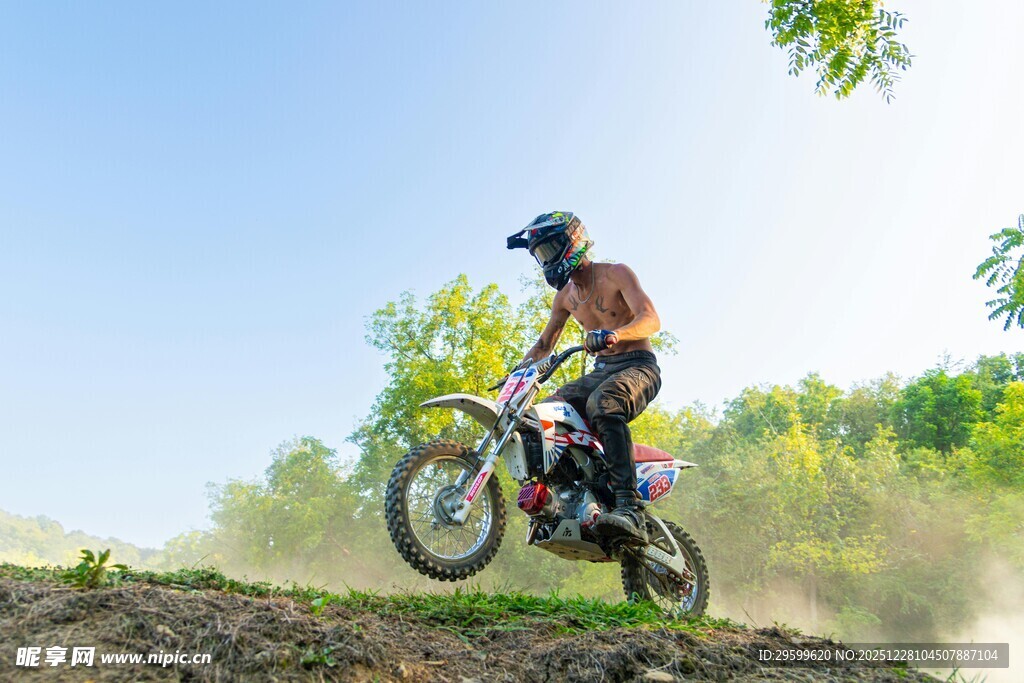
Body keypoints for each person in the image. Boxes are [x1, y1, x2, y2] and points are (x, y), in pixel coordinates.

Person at [506, 211, 662, 544]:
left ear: (573, 240)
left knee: (603, 405)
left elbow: (651, 318)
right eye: (540, 256)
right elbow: (546, 344)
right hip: (602, 372)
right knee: (541, 417)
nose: (546, 260)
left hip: (638, 366)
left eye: (549, 250)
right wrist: (516, 374)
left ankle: (628, 507)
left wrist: (615, 335)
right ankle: (566, 498)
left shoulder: (616, 274)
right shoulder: (564, 298)